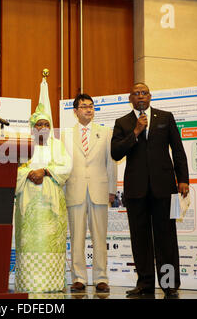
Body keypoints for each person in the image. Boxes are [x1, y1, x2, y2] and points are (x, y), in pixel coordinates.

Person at [111, 83, 189, 298]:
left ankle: (169, 285)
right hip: (136, 190)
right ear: (130, 98)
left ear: (150, 96)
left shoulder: (165, 117)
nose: (140, 96)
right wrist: (135, 132)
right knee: (140, 239)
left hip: (164, 188)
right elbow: (116, 153)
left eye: (144, 92)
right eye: (136, 94)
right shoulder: (123, 123)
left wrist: (183, 179)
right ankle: (144, 284)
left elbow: (178, 150)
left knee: (166, 238)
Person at [61, 93, 117, 293]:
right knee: (77, 237)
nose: (88, 109)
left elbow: (111, 163)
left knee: (100, 237)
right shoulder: (66, 134)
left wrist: (111, 189)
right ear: (75, 111)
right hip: (74, 190)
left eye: (91, 106)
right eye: (84, 106)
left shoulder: (105, 132)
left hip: (99, 189)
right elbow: (63, 164)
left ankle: (101, 278)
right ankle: (79, 278)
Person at [14, 103, 72, 293]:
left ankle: (52, 283)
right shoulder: (24, 145)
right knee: (30, 242)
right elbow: (15, 170)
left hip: (51, 205)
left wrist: (45, 171)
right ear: (32, 127)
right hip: (28, 203)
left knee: (50, 241)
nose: (43, 128)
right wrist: (29, 173)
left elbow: (66, 167)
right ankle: (28, 283)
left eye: (46, 124)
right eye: (39, 124)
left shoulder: (58, 145)